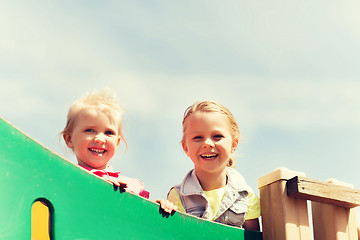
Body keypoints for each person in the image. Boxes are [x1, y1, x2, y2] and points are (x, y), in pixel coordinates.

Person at [62, 88, 175, 213]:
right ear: (69, 139)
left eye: (109, 132)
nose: (100, 139)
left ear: (117, 142)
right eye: (89, 130)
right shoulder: (68, 178)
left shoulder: (132, 186)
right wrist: (96, 187)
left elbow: (139, 220)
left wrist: (157, 208)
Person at [167, 100, 260, 230]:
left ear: (234, 144)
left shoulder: (246, 195)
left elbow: (253, 237)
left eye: (217, 136)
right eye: (198, 137)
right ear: (185, 147)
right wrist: (159, 213)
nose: (208, 143)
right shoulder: (177, 197)